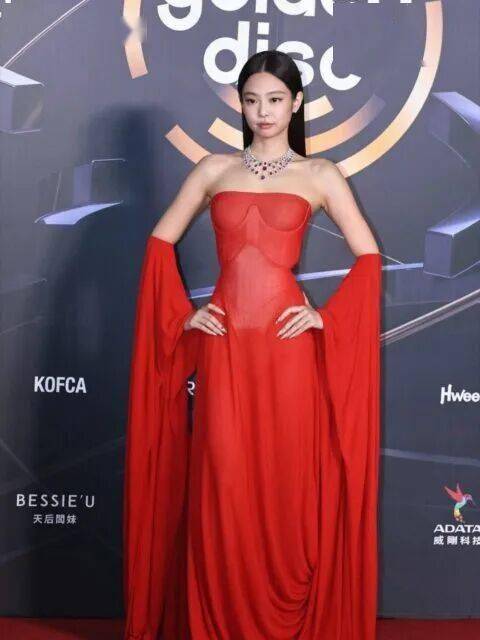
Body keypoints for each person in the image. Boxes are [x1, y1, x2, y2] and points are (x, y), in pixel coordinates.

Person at [123, 50, 382, 640]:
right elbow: (159, 243)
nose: (263, 111)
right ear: (240, 105)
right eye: (251, 100)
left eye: (275, 100)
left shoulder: (320, 175)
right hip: (224, 351)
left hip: (288, 352)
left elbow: (368, 257)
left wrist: (324, 318)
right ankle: (220, 621)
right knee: (223, 481)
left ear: (296, 103)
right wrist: (182, 316)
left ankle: (285, 617)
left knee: (286, 482)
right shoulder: (214, 169)